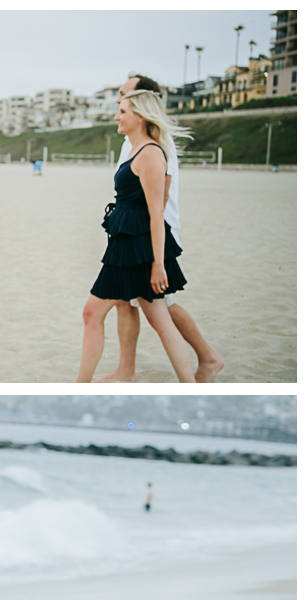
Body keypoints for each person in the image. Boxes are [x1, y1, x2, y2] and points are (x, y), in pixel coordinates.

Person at [94, 75, 224, 384]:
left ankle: (207, 358)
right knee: (131, 301)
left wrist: (155, 255)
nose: (117, 102)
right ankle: (127, 371)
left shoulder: (154, 142)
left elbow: (159, 200)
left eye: (124, 95)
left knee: (160, 306)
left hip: (154, 233)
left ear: (143, 103)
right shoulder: (132, 136)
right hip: (134, 233)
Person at [77, 89, 196, 383]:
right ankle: (189, 384)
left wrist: (158, 264)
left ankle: (81, 385)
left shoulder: (151, 153)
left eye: (124, 112)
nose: (117, 116)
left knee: (95, 312)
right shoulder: (135, 149)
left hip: (139, 248)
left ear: (141, 117)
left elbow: (157, 212)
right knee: (157, 320)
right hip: (127, 244)